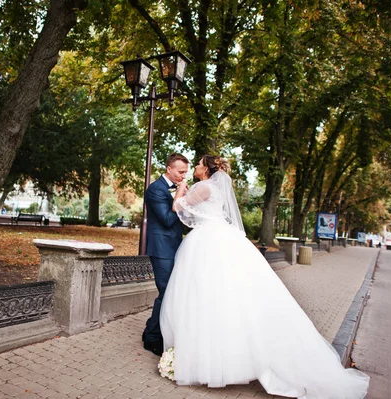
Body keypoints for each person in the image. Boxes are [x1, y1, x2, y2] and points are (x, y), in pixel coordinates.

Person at [159, 155, 369, 398]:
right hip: (220, 238)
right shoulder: (212, 188)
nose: (194, 167)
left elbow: (177, 209)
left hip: (207, 242)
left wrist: (181, 189)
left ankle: (210, 359)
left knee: (206, 295)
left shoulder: (203, 186)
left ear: (205, 168)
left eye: (197, 164)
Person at [142, 153, 190, 356]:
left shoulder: (177, 188)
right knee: (166, 292)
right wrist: (180, 195)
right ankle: (151, 337)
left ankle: (157, 330)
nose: (183, 176)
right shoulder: (155, 190)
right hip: (161, 249)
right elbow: (168, 220)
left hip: (175, 246)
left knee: (171, 292)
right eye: (181, 172)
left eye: (186, 172)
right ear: (169, 169)